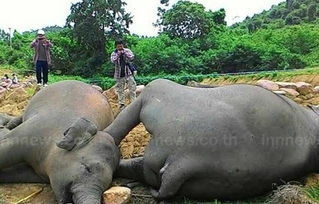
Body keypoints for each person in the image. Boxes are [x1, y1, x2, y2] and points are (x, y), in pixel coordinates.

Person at [111, 40, 137, 111]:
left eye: (121, 46)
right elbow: (113, 60)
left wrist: (124, 53)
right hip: (119, 75)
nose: (120, 47)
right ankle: (121, 104)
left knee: (132, 88)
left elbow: (132, 57)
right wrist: (118, 54)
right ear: (116, 46)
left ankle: (133, 103)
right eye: (118, 46)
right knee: (120, 90)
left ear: (123, 45)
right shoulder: (114, 53)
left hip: (128, 73)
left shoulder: (127, 50)